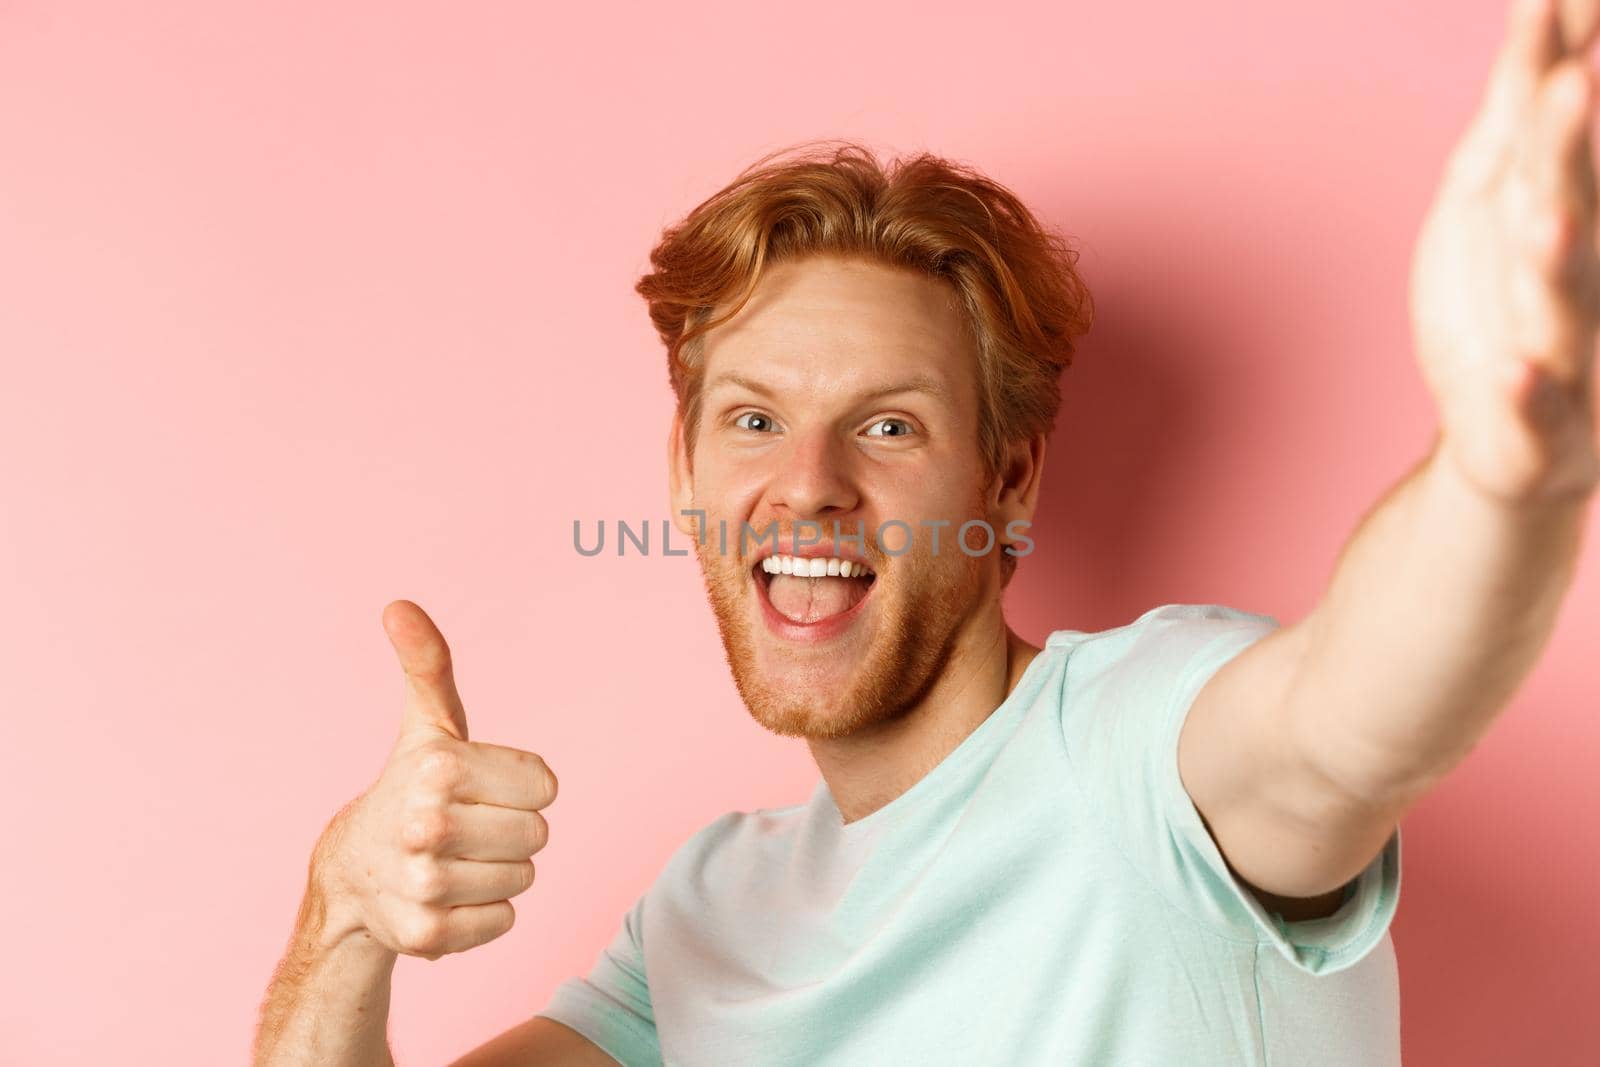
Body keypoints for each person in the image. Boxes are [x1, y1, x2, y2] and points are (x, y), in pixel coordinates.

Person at [252, 1, 1600, 1062]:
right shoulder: (713, 908)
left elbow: (1354, 714)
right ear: (681, 471)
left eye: (888, 428)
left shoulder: (1137, 748)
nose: (811, 488)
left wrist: (1503, 470)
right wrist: (345, 915)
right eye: (755, 422)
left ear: (1007, 484)